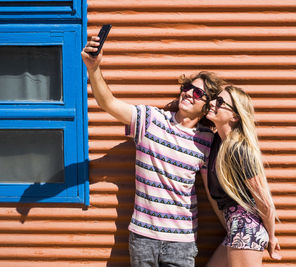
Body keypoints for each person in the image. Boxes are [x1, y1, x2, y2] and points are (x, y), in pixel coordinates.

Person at [81, 35, 225, 267]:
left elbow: (211, 191)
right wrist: (94, 68)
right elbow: (108, 103)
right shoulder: (150, 120)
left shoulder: (207, 140)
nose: (188, 93)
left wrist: (230, 229)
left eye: (198, 93)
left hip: (182, 240)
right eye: (188, 87)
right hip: (143, 237)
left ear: (207, 105)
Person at [204, 85, 282, 267]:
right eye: (215, 98)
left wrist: (271, 237)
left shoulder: (239, 151)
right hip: (235, 226)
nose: (213, 103)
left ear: (235, 116)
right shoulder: (218, 142)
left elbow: (264, 201)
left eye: (220, 102)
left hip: (246, 227)